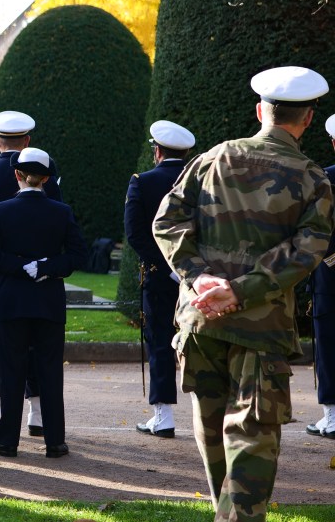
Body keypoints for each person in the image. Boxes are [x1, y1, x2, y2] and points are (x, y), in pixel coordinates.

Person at [154, 66, 334, 522]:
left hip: (201, 319)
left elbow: (167, 223)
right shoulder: (312, 179)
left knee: (213, 431)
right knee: (252, 436)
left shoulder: (211, 158)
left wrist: (200, 280)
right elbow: (307, 250)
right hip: (262, 326)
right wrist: (240, 290)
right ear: (308, 119)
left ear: (260, 111)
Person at [0, 147, 86, 459]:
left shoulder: (1, 210)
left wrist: (17, 265)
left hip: (11, 301)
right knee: (50, 370)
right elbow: (78, 255)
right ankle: (55, 441)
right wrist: (45, 267)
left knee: (12, 369)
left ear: (17, 175)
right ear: (47, 179)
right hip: (48, 301)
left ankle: (7, 440)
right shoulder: (61, 212)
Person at [0, 111, 63, 437]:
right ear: (27, 141)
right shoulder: (47, 173)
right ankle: (37, 413)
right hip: (41, 275)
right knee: (38, 343)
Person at [124, 120, 196, 439]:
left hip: (158, 275)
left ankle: (163, 415)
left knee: (160, 341)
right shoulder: (202, 181)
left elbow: (136, 235)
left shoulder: (143, 182)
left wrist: (165, 265)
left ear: (157, 151)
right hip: (197, 275)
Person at [309, 114, 335, 439]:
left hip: (329, 275)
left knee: (328, 346)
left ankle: (331, 415)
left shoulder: (325, 180)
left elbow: (317, 232)